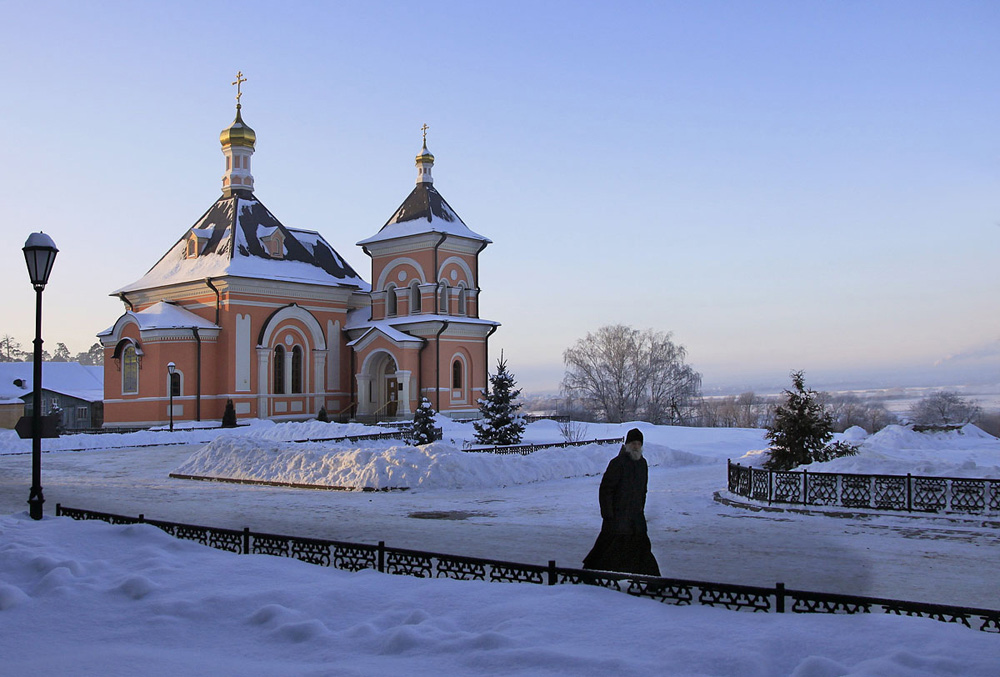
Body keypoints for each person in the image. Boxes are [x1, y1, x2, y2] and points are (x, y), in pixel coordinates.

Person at [582, 428, 660, 576]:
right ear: (627, 445)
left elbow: (643, 489)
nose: (636, 446)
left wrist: (640, 509)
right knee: (609, 548)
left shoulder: (642, 464)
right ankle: (593, 576)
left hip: (635, 517)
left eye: (638, 443)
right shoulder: (618, 463)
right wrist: (608, 514)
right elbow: (606, 490)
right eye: (633, 443)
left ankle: (650, 580)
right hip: (617, 517)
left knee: (641, 548)